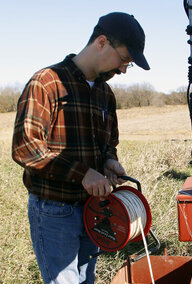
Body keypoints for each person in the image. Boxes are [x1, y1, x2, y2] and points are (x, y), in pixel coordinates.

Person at [12, 12, 150, 284]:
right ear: (101, 42)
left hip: (96, 209)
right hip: (54, 210)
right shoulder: (47, 82)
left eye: (128, 65)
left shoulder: (104, 94)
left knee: (87, 281)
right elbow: (26, 147)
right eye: (124, 59)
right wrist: (83, 173)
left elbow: (109, 142)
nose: (123, 69)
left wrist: (109, 161)